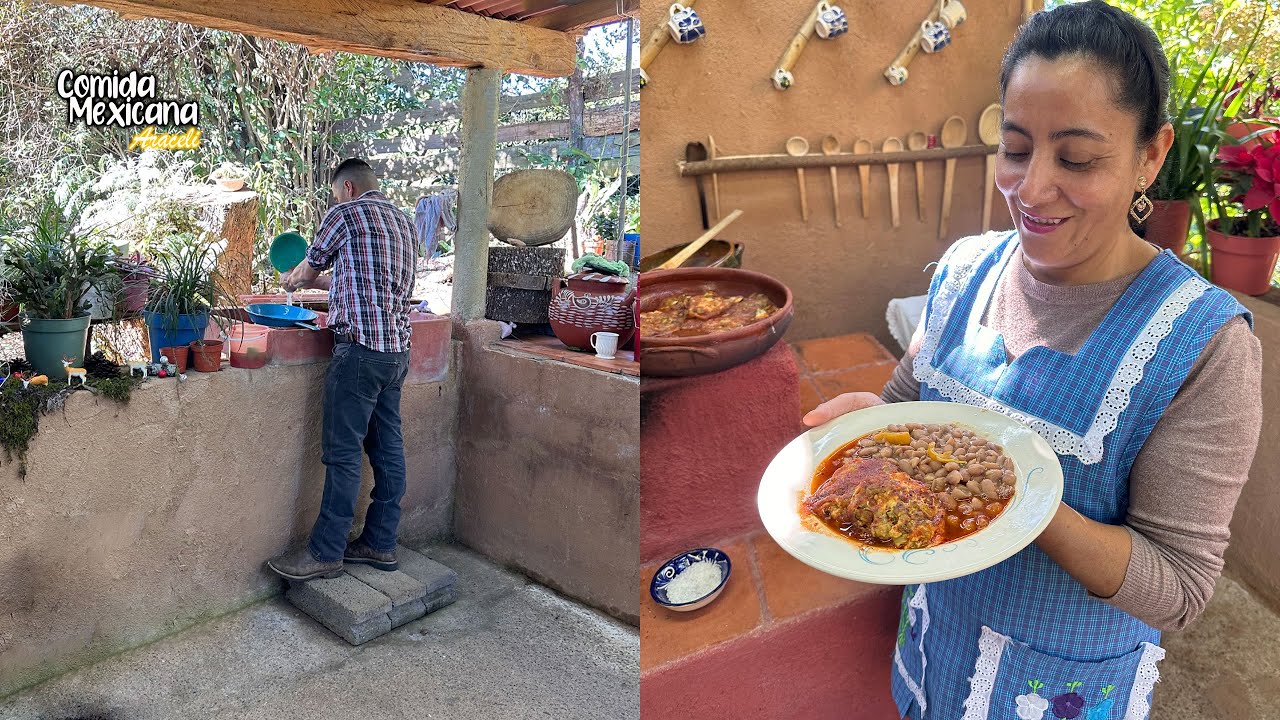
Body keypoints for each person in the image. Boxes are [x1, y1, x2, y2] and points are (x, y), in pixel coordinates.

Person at [802, 4, 1263, 718]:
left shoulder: (1202, 345)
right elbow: (907, 405)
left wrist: (1020, 499)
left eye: (1076, 159)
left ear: (1150, 156)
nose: (1032, 188)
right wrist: (875, 431)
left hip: (1053, 690)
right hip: (931, 646)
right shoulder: (964, 270)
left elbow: (1179, 588)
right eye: (1016, 149)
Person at [267, 158, 417, 582]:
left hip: (359, 353)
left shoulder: (345, 214)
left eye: (335, 194)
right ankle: (380, 544)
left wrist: (292, 280)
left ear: (347, 188)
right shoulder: (404, 223)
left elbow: (309, 267)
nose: (335, 200)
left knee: (342, 455)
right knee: (388, 452)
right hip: (396, 354)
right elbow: (358, 281)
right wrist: (312, 280)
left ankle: (325, 553)